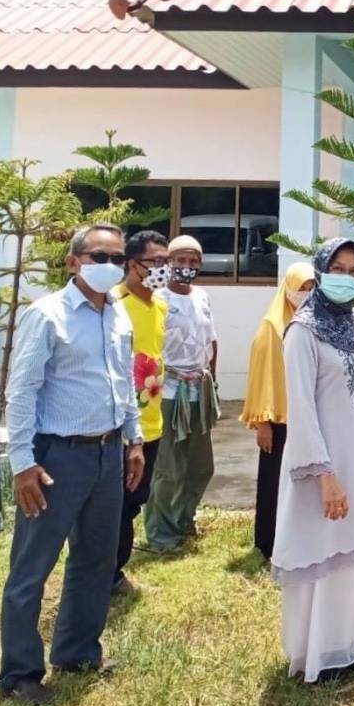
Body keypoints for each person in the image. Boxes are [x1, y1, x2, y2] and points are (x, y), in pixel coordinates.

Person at [0, 223, 144, 706]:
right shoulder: (47, 314)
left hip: (108, 452)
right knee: (32, 567)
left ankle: (78, 651)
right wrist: (23, 464)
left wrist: (134, 439)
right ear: (73, 262)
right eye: (99, 256)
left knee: (96, 558)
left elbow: (123, 382)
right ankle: (19, 673)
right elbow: (22, 392)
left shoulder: (118, 313)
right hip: (56, 458)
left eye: (118, 258)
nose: (110, 265)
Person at [272, 238, 354, 684]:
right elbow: (300, 408)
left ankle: (351, 646)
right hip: (322, 464)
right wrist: (325, 476)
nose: (347, 278)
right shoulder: (302, 332)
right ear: (320, 271)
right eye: (338, 268)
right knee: (323, 552)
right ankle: (318, 656)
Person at [144, 235, 219, 553]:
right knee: (168, 468)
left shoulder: (202, 296)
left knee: (200, 466)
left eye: (193, 261)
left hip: (198, 391)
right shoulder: (156, 299)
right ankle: (161, 535)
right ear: (168, 263)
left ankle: (184, 520)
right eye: (180, 260)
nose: (186, 267)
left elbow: (211, 341)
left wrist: (213, 380)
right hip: (168, 392)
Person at [239, 261, 316, 560]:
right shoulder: (273, 327)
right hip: (277, 420)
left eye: (312, 288)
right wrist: (262, 423)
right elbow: (261, 377)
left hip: (304, 416)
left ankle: (296, 538)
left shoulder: (311, 323)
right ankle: (268, 542)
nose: (306, 294)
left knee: (300, 482)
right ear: (288, 289)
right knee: (274, 481)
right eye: (301, 288)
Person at [111, 229, 171, 593]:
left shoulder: (159, 305)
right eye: (157, 262)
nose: (164, 268)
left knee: (134, 501)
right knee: (115, 504)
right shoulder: (115, 304)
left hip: (152, 421)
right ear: (134, 265)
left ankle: (115, 570)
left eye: (166, 261)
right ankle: (110, 575)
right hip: (122, 427)